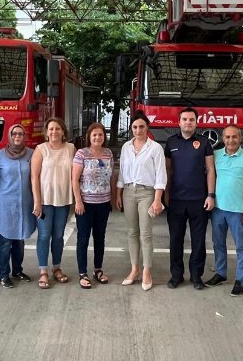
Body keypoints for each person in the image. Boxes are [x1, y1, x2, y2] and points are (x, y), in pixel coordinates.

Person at [164, 107, 215, 290]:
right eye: (184, 119)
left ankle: (196, 276)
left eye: (191, 119)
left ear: (196, 122)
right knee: (175, 239)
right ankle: (176, 275)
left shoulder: (204, 142)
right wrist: (166, 195)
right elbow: (167, 171)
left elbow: (210, 170)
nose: (188, 122)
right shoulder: (170, 142)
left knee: (198, 241)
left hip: (199, 200)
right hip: (176, 200)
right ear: (179, 122)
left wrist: (210, 195)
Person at [116, 111, 166, 291]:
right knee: (132, 232)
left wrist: (157, 199)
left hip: (147, 193)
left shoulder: (155, 148)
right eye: (135, 127)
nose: (138, 130)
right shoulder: (126, 147)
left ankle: (146, 270)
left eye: (141, 127)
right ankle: (134, 269)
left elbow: (161, 175)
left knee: (145, 233)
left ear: (147, 128)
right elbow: (122, 172)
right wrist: (118, 194)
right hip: (129, 191)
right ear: (131, 129)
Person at [206, 126, 243, 296]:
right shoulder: (216, 156)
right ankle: (221, 273)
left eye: (234, 137)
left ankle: (240, 280)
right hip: (218, 210)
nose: (231, 140)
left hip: (238, 211)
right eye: (227, 137)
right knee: (218, 244)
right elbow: (210, 177)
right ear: (223, 138)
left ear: (240, 138)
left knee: (241, 247)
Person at [31, 117, 75, 289]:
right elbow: (34, 177)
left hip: (63, 200)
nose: (54, 132)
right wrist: (37, 201)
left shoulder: (71, 148)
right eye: (51, 129)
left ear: (63, 131)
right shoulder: (41, 149)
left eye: (57, 129)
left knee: (58, 236)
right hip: (45, 201)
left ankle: (57, 268)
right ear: (46, 132)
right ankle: (43, 271)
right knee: (43, 236)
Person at [72, 122, 115, 289]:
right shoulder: (81, 154)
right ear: (89, 137)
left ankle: (98, 269)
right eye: (94, 135)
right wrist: (78, 201)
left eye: (101, 135)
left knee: (100, 238)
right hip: (85, 205)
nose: (98, 137)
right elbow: (74, 180)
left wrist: (112, 198)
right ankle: (83, 273)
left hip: (103, 204)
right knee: (83, 239)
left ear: (104, 137)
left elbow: (111, 177)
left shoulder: (108, 153)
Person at [0, 124, 35, 288]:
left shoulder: (32, 154)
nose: (17, 136)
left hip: (24, 203)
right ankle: (3, 274)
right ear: (9, 136)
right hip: (5, 204)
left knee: (20, 239)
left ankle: (17, 271)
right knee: (5, 240)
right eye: (14, 133)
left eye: (21, 133)